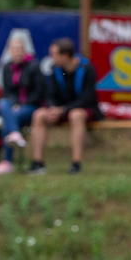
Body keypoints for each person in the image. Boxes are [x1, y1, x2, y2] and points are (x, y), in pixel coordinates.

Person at [28, 37, 102, 175]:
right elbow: (50, 95)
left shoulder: (87, 68)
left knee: (76, 115)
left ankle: (76, 164)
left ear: (65, 56)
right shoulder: (55, 69)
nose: (51, 58)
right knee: (39, 115)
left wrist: (64, 109)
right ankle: (37, 163)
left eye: (54, 54)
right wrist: (52, 109)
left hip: (86, 109)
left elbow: (87, 98)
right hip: (62, 110)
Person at [0, 36, 44, 175]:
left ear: (25, 50)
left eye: (20, 49)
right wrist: (14, 105)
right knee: (3, 103)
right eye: (14, 49)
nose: (17, 52)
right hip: (13, 107)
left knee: (7, 119)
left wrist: (21, 105)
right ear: (10, 51)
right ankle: (15, 134)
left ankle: (7, 161)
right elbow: (7, 92)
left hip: (30, 106)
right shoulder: (7, 67)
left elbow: (39, 92)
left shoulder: (33, 66)